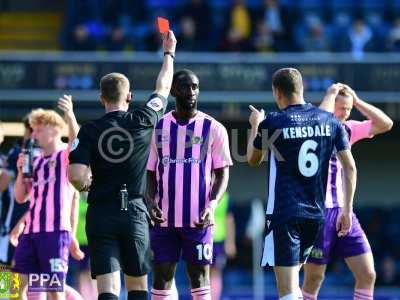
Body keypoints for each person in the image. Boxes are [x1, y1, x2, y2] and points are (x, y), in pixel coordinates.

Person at [68, 31, 177, 300]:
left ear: (101, 97)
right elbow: (163, 87)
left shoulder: (89, 131)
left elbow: (76, 176)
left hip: (101, 213)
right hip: (134, 212)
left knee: (107, 289)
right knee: (138, 287)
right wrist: (169, 53)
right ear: (129, 96)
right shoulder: (142, 119)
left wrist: (86, 183)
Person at [246, 68, 357, 300]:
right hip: (316, 215)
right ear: (302, 88)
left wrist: (256, 124)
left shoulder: (273, 122)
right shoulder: (330, 121)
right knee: (295, 287)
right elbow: (350, 167)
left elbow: (253, 160)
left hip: (286, 214)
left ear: (277, 92)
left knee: (286, 291)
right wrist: (347, 210)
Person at [146, 69, 232, 300]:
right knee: (162, 279)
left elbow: (222, 174)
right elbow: (150, 173)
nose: (191, 92)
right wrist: (150, 201)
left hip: (198, 219)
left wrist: (212, 206)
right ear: (173, 90)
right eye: (185, 86)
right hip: (164, 220)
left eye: (195, 87)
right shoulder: (158, 128)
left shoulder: (213, 128)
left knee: (200, 278)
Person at [302, 84, 393, 300]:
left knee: (368, 273)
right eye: (341, 108)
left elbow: (386, 124)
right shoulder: (315, 126)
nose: (345, 113)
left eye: (348, 109)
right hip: (319, 213)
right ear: (331, 104)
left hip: (344, 213)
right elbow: (319, 119)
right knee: (314, 279)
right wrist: (331, 93)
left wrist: (357, 101)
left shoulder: (348, 129)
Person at [13, 96, 84, 300]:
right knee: (12, 287)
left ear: (54, 129)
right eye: (33, 130)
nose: (34, 134)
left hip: (54, 234)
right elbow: (20, 197)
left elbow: (75, 142)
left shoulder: (63, 156)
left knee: (55, 290)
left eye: (38, 129)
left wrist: (70, 115)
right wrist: (20, 171)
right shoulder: (34, 161)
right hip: (30, 234)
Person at [210, 192, 236, 300]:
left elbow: (229, 220)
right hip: (201, 239)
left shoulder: (225, 197)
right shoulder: (198, 191)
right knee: (198, 272)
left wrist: (230, 242)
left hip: (218, 240)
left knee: (216, 272)